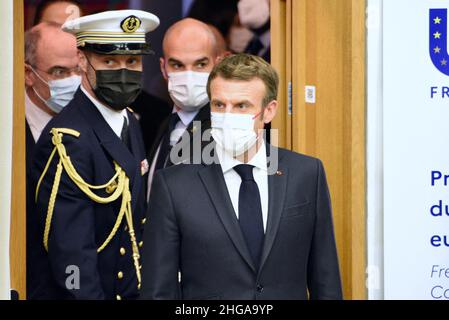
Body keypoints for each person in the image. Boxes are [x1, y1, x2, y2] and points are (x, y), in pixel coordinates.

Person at [140, 54, 343, 300]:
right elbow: (158, 291)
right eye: (218, 105)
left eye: (241, 106)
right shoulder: (173, 186)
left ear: (269, 111)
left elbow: (326, 279)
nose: (227, 116)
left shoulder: (306, 174)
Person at [30, 10, 159, 300]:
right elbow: (72, 258)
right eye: (109, 61)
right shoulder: (67, 140)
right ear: (82, 59)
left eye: (132, 61)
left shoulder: (129, 121)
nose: (123, 72)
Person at [24, 21, 81, 298]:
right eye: (59, 71)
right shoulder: (8, 130)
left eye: (77, 70)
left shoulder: (93, 124)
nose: (72, 80)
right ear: (28, 74)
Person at [146, 18, 219, 198]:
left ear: (217, 66)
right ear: (163, 68)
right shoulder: (161, 124)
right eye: (177, 65)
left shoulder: (227, 130)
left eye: (200, 64)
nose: (189, 76)